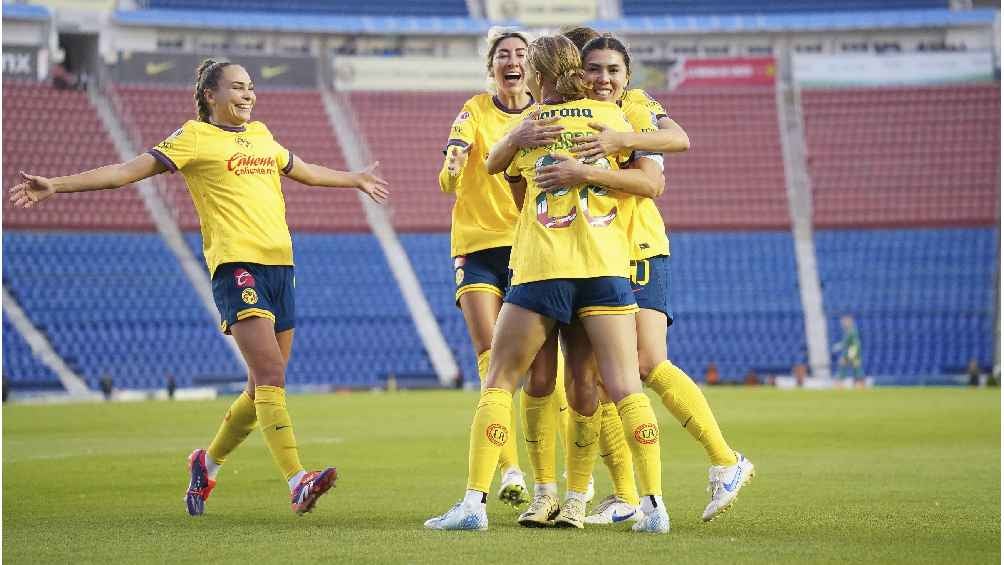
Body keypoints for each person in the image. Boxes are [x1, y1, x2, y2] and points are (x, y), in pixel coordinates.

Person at [9, 58, 389, 517]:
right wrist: (56, 185)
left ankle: (205, 465)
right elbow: (126, 171)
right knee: (271, 375)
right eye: (237, 87)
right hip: (237, 266)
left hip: (281, 268)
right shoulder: (193, 137)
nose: (248, 94)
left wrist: (355, 179)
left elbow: (303, 169)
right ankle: (297, 480)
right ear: (211, 95)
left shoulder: (261, 134)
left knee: (261, 388)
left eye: (251, 87)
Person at [425, 34, 668, 534]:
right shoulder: (612, 117)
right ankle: (648, 505)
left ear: (537, 76)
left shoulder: (533, 123)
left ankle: (475, 502)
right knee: (619, 386)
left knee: (500, 379)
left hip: (542, 268)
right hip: (604, 269)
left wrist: (517, 138)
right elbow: (648, 175)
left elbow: (493, 167)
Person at [512, 31, 754, 525]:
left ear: (626, 75)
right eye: (591, 69)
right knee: (596, 378)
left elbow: (656, 175)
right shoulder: (574, 114)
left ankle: (725, 459)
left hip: (638, 249)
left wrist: (609, 151)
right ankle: (624, 495)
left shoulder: (634, 107)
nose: (601, 78)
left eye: (612, 70)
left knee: (643, 363)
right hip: (598, 256)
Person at [439, 28, 549, 507]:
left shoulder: (543, 114)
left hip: (529, 247)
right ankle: (509, 469)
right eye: (504, 54)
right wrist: (453, 166)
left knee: (542, 371)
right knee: (490, 357)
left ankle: (554, 480)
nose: (512, 60)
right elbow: (452, 162)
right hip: (477, 247)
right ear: (492, 66)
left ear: (532, 66)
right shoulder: (475, 110)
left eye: (521, 53)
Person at [832, 314, 862, 382]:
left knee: (846, 365)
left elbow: (853, 344)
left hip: (852, 351)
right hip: (852, 351)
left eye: (844, 322)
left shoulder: (851, 331)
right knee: (855, 367)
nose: (842, 324)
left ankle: (840, 381)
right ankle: (858, 381)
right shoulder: (850, 331)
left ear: (849, 322)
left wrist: (849, 355)